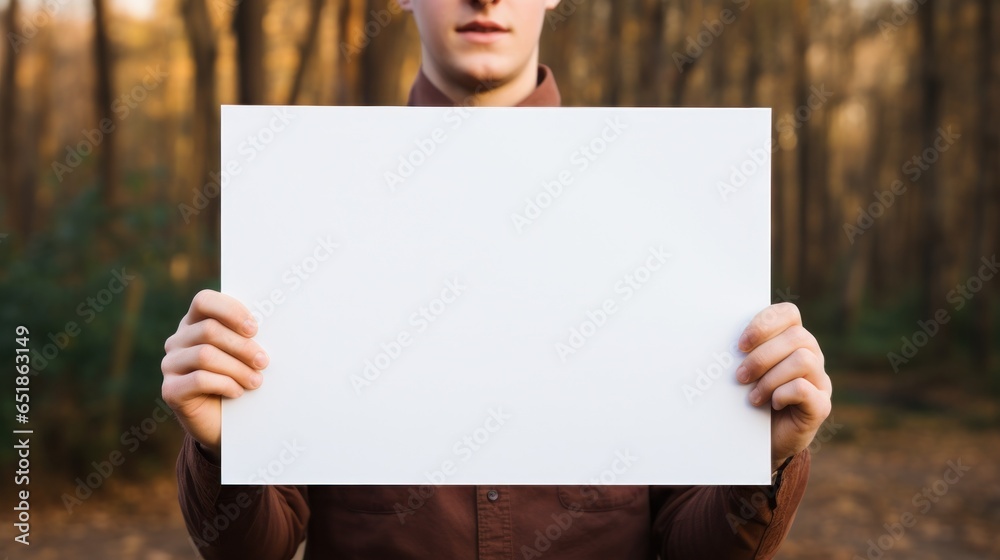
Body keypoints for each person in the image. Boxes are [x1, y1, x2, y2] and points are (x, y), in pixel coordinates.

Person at [161, 1, 834, 558]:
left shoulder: (663, 204)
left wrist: (764, 457)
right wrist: (224, 446)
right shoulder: (314, 204)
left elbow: (696, 547)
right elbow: (260, 547)